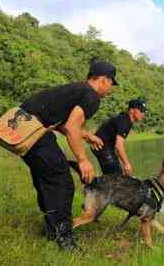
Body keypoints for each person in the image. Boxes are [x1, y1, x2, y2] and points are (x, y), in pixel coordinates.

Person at [20, 60, 117, 251]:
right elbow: (72, 126)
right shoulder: (91, 96)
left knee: (46, 178)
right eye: (112, 83)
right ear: (104, 80)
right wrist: (83, 160)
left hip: (21, 126)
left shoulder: (77, 89)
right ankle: (65, 238)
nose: (111, 88)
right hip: (34, 130)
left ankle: (52, 228)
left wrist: (86, 135)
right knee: (62, 181)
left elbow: (63, 124)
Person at [90, 98, 146, 176]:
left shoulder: (125, 119)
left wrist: (122, 162)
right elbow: (119, 145)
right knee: (116, 177)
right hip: (101, 147)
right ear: (132, 110)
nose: (143, 114)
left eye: (144, 111)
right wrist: (127, 164)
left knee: (117, 175)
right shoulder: (124, 121)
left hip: (105, 148)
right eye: (141, 111)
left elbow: (115, 145)